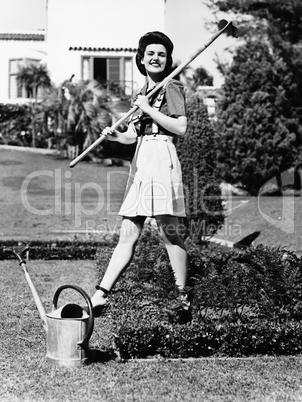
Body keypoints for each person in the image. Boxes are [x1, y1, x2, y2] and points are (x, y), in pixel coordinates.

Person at [89, 31, 191, 322]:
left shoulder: (172, 87)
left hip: (162, 157)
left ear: (167, 59)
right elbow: (134, 134)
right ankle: (100, 295)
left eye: (161, 53)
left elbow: (181, 128)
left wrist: (148, 108)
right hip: (141, 159)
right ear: (141, 59)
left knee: (168, 232)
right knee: (128, 231)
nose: (156, 58)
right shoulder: (143, 91)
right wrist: (117, 134)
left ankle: (183, 299)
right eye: (150, 53)